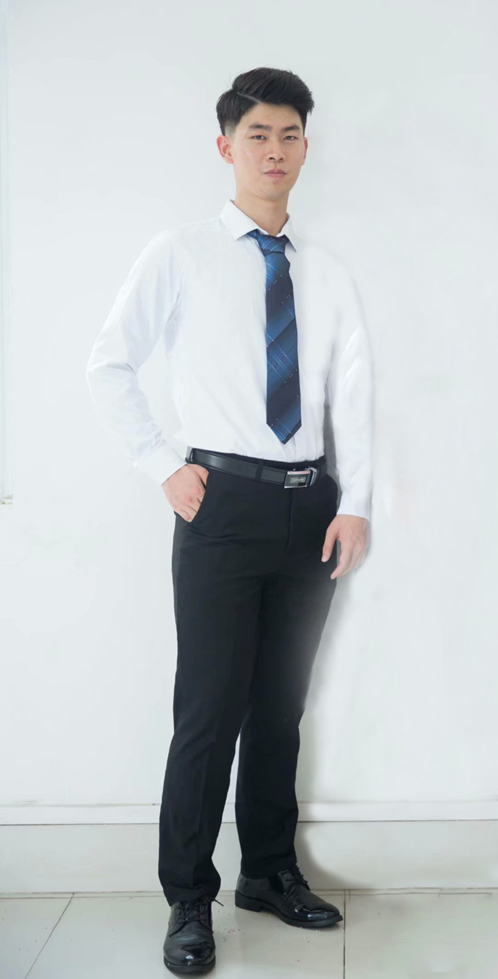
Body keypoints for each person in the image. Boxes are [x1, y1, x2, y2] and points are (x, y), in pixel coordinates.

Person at [86, 65, 374, 975]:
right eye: (257, 134)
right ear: (226, 147)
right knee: (209, 708)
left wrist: (356, 501)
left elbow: (352, 394)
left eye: (289, 134)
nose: (274, 150)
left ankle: (268, 871)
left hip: (311, 507)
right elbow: (108, 363)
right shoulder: (181, 253)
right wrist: (161, 464)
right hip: (221, 503)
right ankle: (188, 897)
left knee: (280, 706)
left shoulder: (326, 270)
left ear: (306, 147)